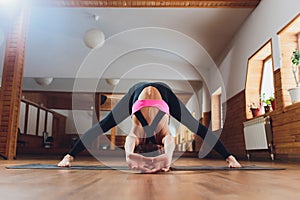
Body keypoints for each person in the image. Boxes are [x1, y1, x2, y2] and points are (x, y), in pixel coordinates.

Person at [58, 82, 241, 172]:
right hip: (151, 96)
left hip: (147, 96)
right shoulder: (145, 135)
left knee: (104, 125)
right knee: (195, 126)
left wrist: (229, 157)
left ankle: (69, 156)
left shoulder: (157, 135)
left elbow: (164, 139)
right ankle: (69, 156)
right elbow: (136, 138)